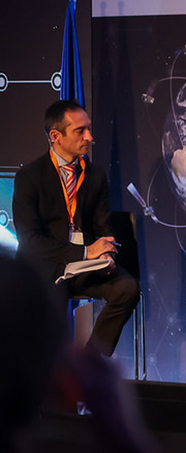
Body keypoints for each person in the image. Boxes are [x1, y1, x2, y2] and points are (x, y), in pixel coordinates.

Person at [0, 253, 186, 453]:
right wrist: (129, 449)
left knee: (125, 288)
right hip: (56, 266)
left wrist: (102, 255)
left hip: (93, 272)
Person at [13, 99, 140, 357]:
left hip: (86, 267)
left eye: (88, 128)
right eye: (80, 131)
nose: (89, 137)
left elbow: (103, 225)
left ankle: (89, 363)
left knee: (127, 289)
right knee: (51, 301)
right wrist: (86, 252)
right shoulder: (29, 177)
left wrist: (106, 254)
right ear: (56, 136)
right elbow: (30, 242)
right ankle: (51, 371)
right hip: (48, 269)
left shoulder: (95, 174)